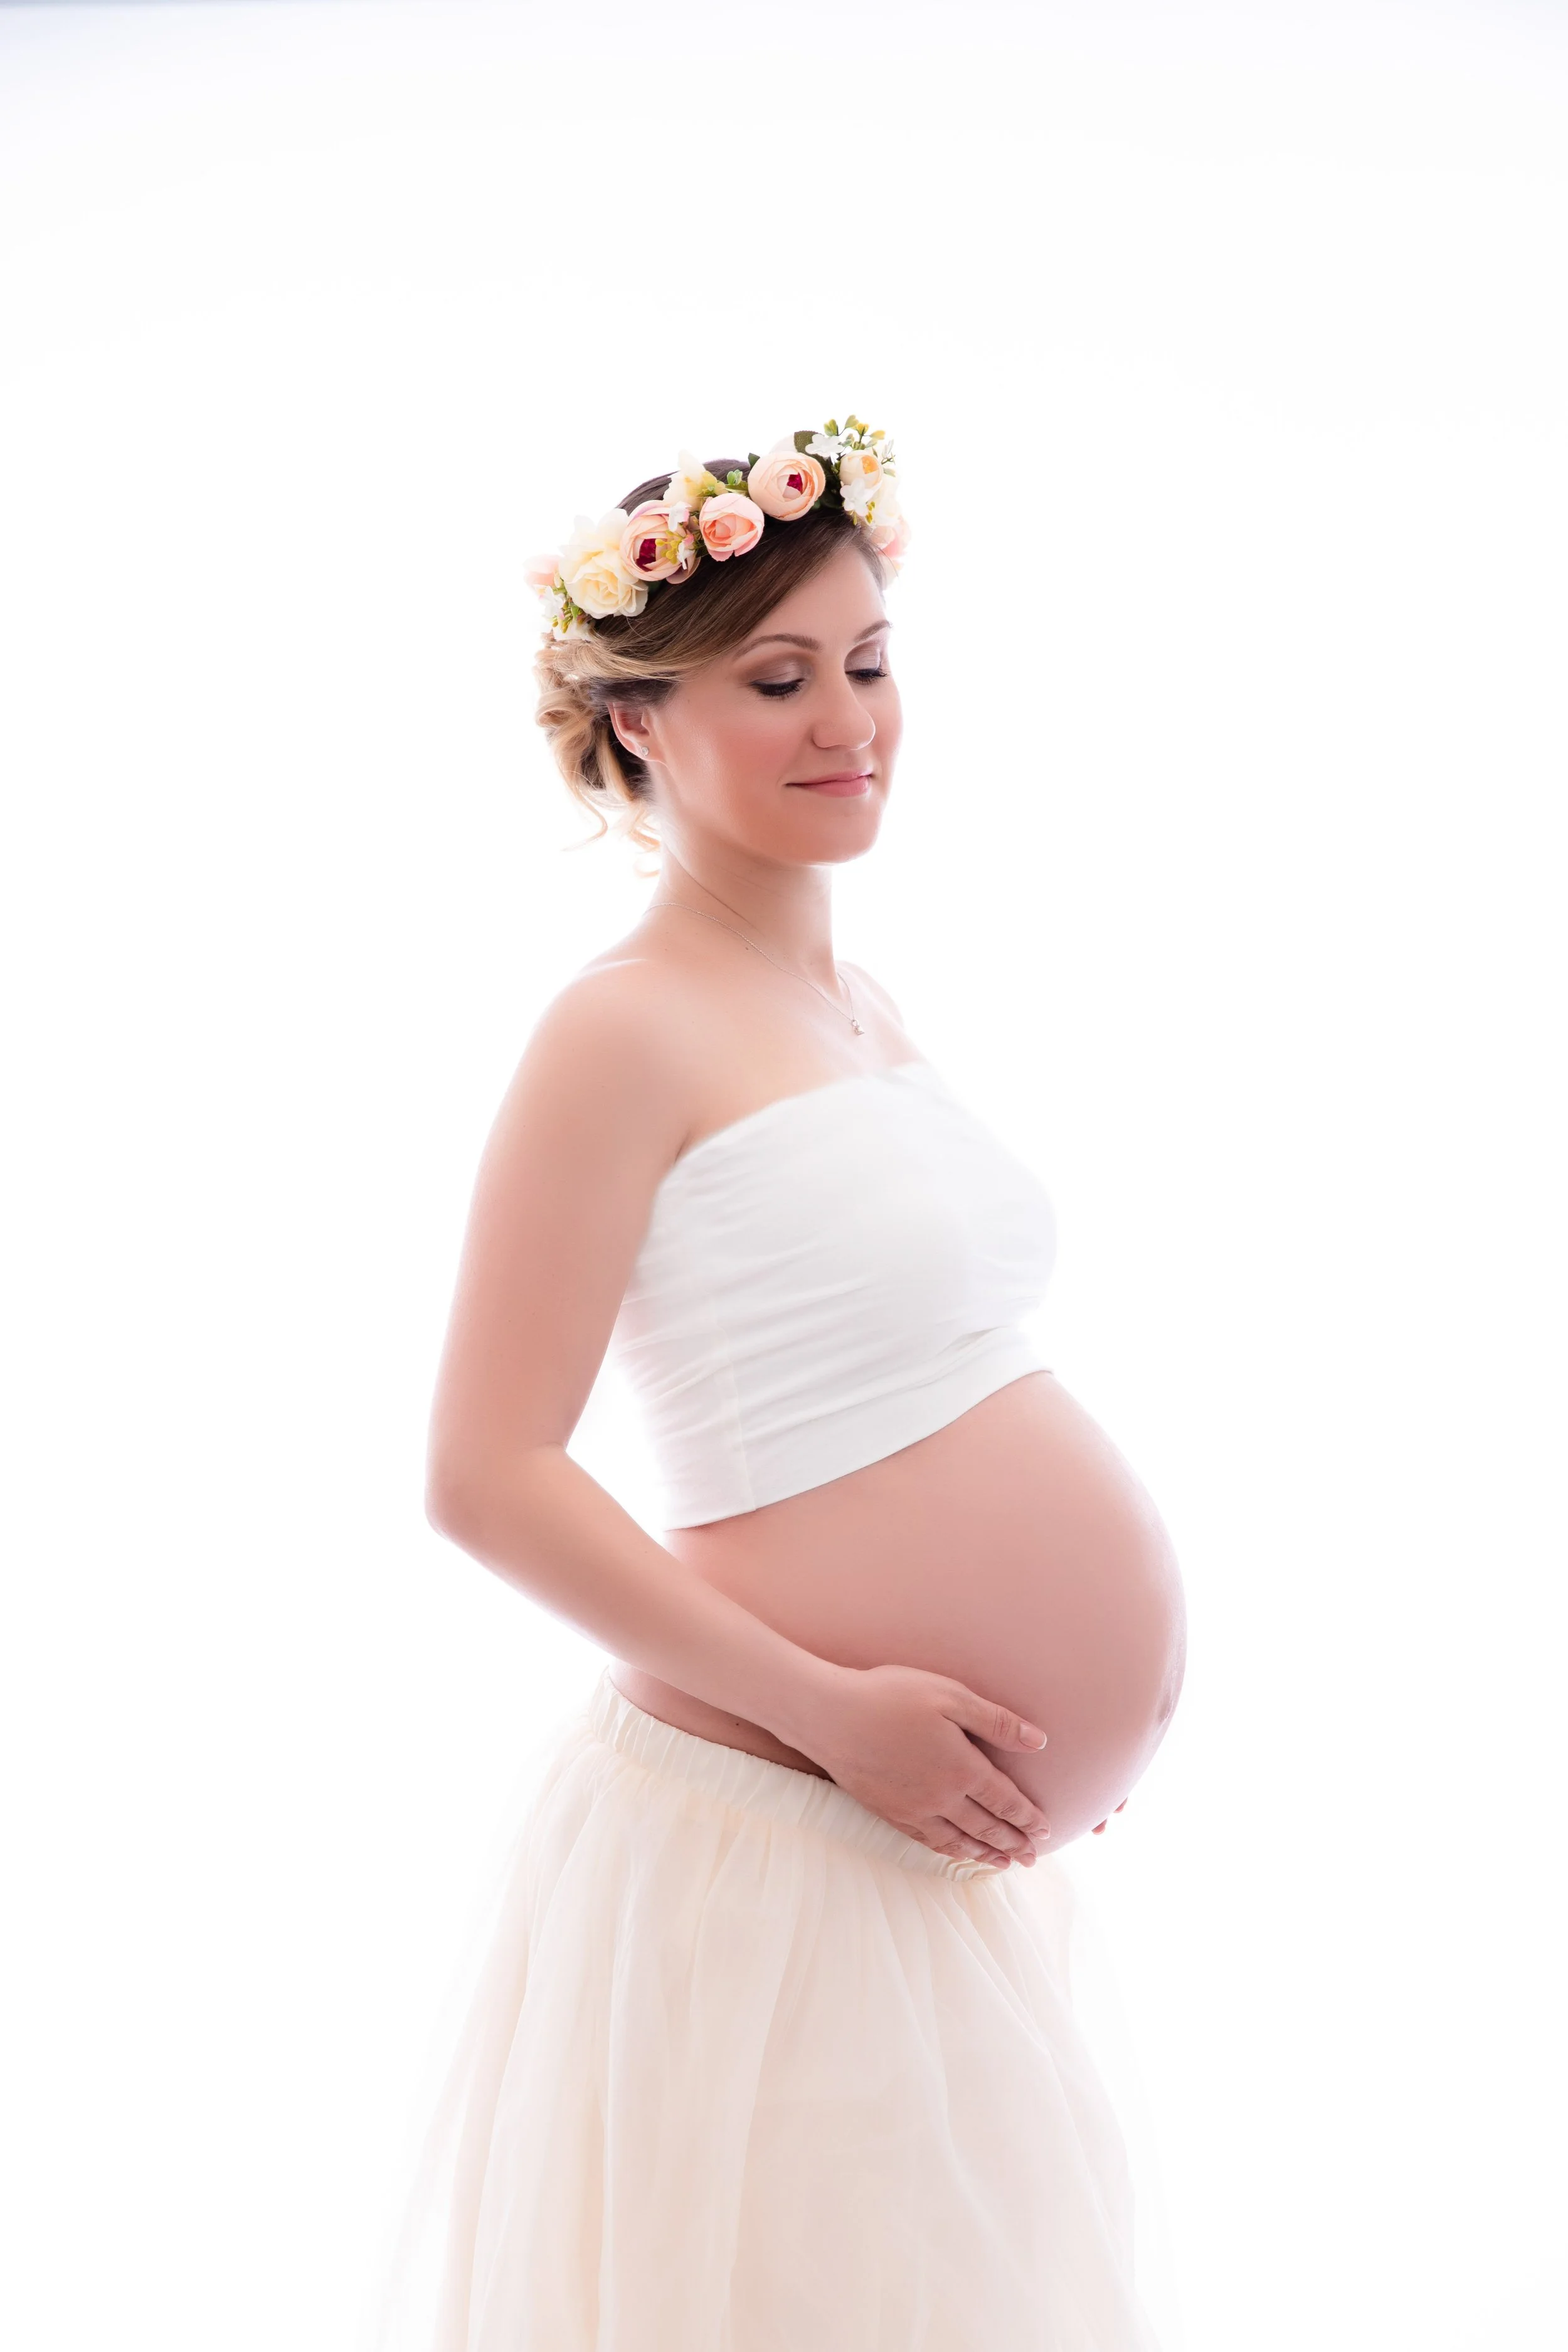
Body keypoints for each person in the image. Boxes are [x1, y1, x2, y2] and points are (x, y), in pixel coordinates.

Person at [366, 421, 1187, 2350]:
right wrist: (837, 1708)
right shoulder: (620, 1028)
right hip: (774, 1834)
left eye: (870, 660)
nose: (849, 719)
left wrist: (1079, 1725)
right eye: (776, 677)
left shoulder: (860, 1005)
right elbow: (486, 1471)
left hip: (914, 1856)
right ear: (641, 721)